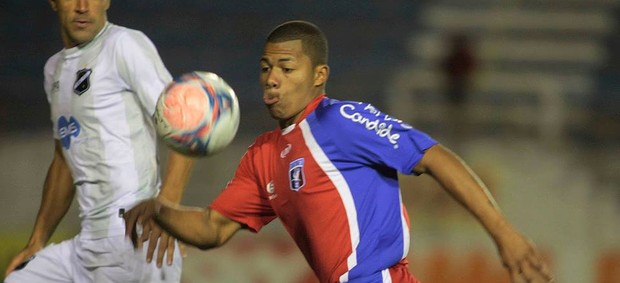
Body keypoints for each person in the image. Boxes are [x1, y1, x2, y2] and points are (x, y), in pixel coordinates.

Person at [124, 20, 553, 283]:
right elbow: (214, 229)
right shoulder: (263, 156)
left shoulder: (341, 121)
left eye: (286, 68)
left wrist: (504, 234)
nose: (272, 79)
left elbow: (434, 156)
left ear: (319, 76)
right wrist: (161, 209)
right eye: (265, 68)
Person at [4, 0, 194, 282]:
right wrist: (37, 240)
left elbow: (185, 125)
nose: (83, 6)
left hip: (136, 238)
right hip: (88, 241)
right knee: (21, 278)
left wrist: (167, 208)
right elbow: (63, 160)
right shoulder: (53, 69)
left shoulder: (124, 45)